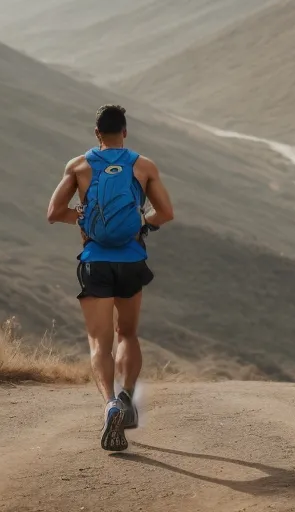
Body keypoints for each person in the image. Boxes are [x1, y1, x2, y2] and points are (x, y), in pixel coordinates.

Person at [45, 104, 175, 452]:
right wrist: (141, 224)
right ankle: (128, 397)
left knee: (99, 343)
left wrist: (85, 221)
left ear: (97, 133)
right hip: (132, 259)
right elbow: (166, 213)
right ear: (126, 132)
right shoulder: (143, 166)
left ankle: (109, 405)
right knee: (127, 334)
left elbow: (54, 213)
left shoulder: (79, 166)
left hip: (95, 261)